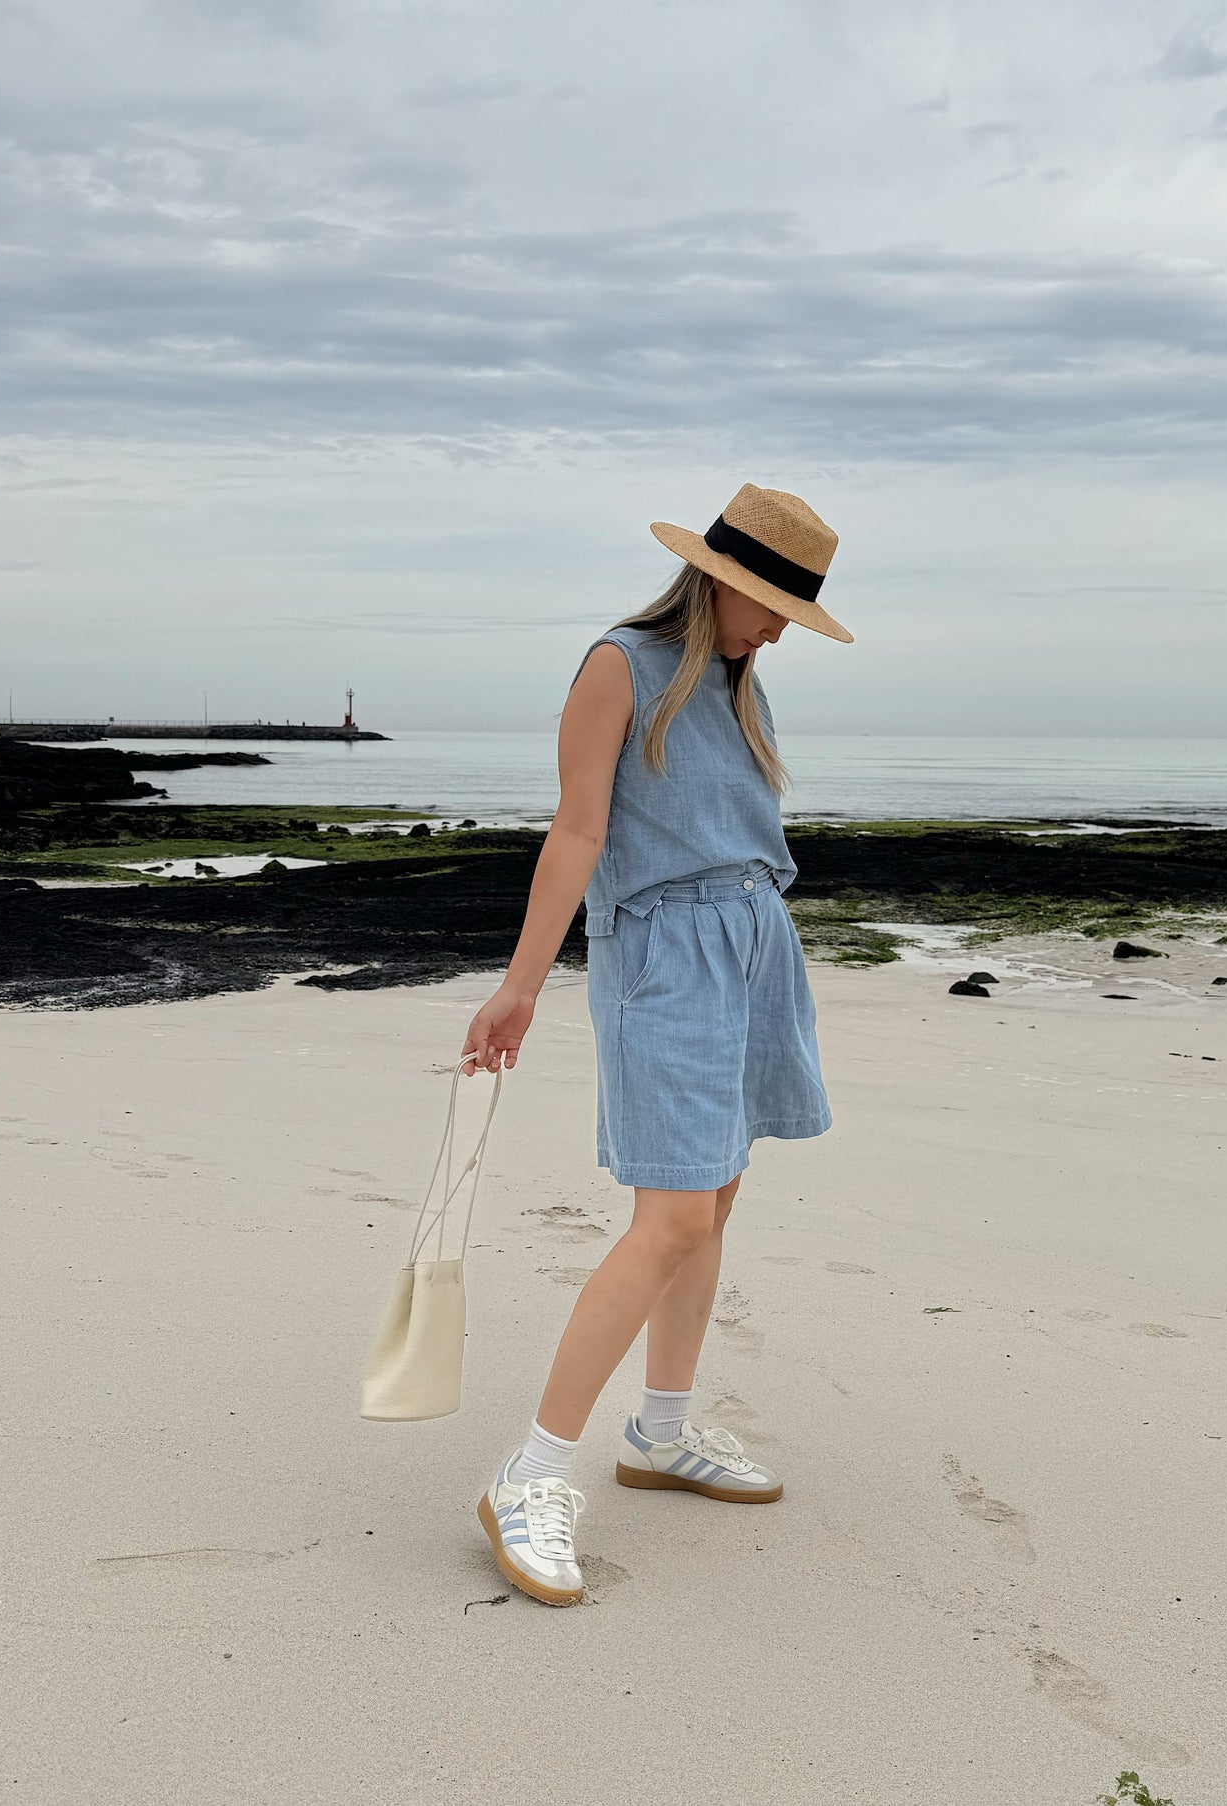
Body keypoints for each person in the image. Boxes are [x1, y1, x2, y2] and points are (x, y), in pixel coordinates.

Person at [460, 484, 854, 1606]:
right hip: (663, 952)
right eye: (772, 603)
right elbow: (577, 829)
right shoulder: (617, 665)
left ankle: (661, 1432)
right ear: (720, 578)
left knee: (716, 1196)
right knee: (669, 1213)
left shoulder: (740, 680)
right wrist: (520, 988)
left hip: (753, 942)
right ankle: (529, 1474)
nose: (778, 627)